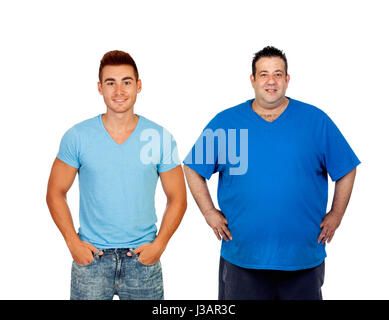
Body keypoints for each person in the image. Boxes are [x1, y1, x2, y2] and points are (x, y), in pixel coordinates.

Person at [183, 46, 360, 300]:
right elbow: (192, 168)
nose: (271, 81)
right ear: (252, 80)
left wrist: (337, 214)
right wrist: (209, 212)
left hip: (302, 257)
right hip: (242, 257)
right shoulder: (226, 123)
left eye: (278, 74)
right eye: (264, 74)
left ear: (287, 80)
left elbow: (346, 168)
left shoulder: (315, 121)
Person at [46, 50, 187, 300]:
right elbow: (55, 192)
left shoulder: (159, 137)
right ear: (100, 88)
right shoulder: (78, 136)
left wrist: (160, 245)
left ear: (139, 86)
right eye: (111, 83)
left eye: (126, 82)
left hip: (142, 260)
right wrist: (72, 242)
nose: (119, 90)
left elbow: (177, 197)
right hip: (91, 259)